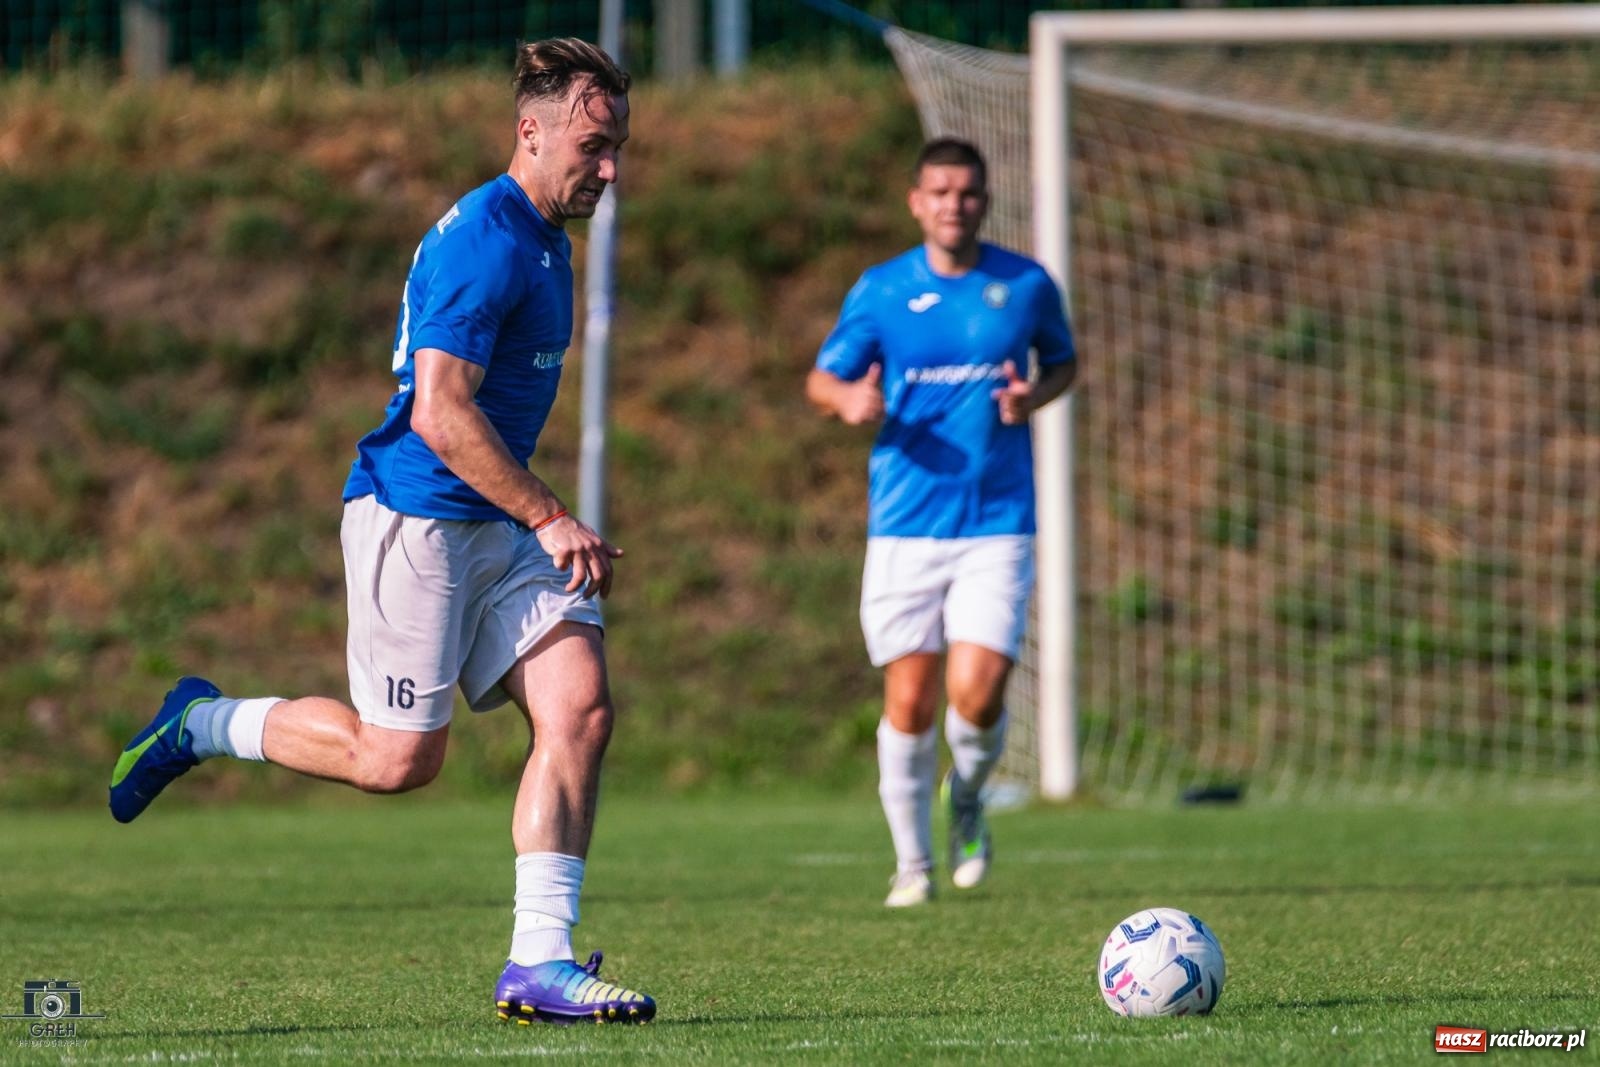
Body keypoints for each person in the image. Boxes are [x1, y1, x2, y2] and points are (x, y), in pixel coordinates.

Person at [108, 38, 655, 1025]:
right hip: (422, 520)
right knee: (396, 762)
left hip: (500, 523)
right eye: (594, 143)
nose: (610, 167)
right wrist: (551, 512)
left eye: (618, 146)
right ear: (529, 132)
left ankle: (540, 959)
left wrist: (532, 517)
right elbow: (442, 414)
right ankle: (201, 721)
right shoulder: (483, 242)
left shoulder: (544, 236)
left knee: (579, 705)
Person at [806, 138, 1077, 907]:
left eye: (967, 192)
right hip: (904, 525)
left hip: (998, 519)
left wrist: (1035, 397)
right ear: (916, 201)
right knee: (911, 699)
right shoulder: (883, 290)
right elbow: (822, 376)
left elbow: (1063, 362)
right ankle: (912, 864)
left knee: (980, 692)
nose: (953, 203)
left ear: (983, 200)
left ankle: (969, 796)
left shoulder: (1023, 285)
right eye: (939, 191)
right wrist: (847, 400)